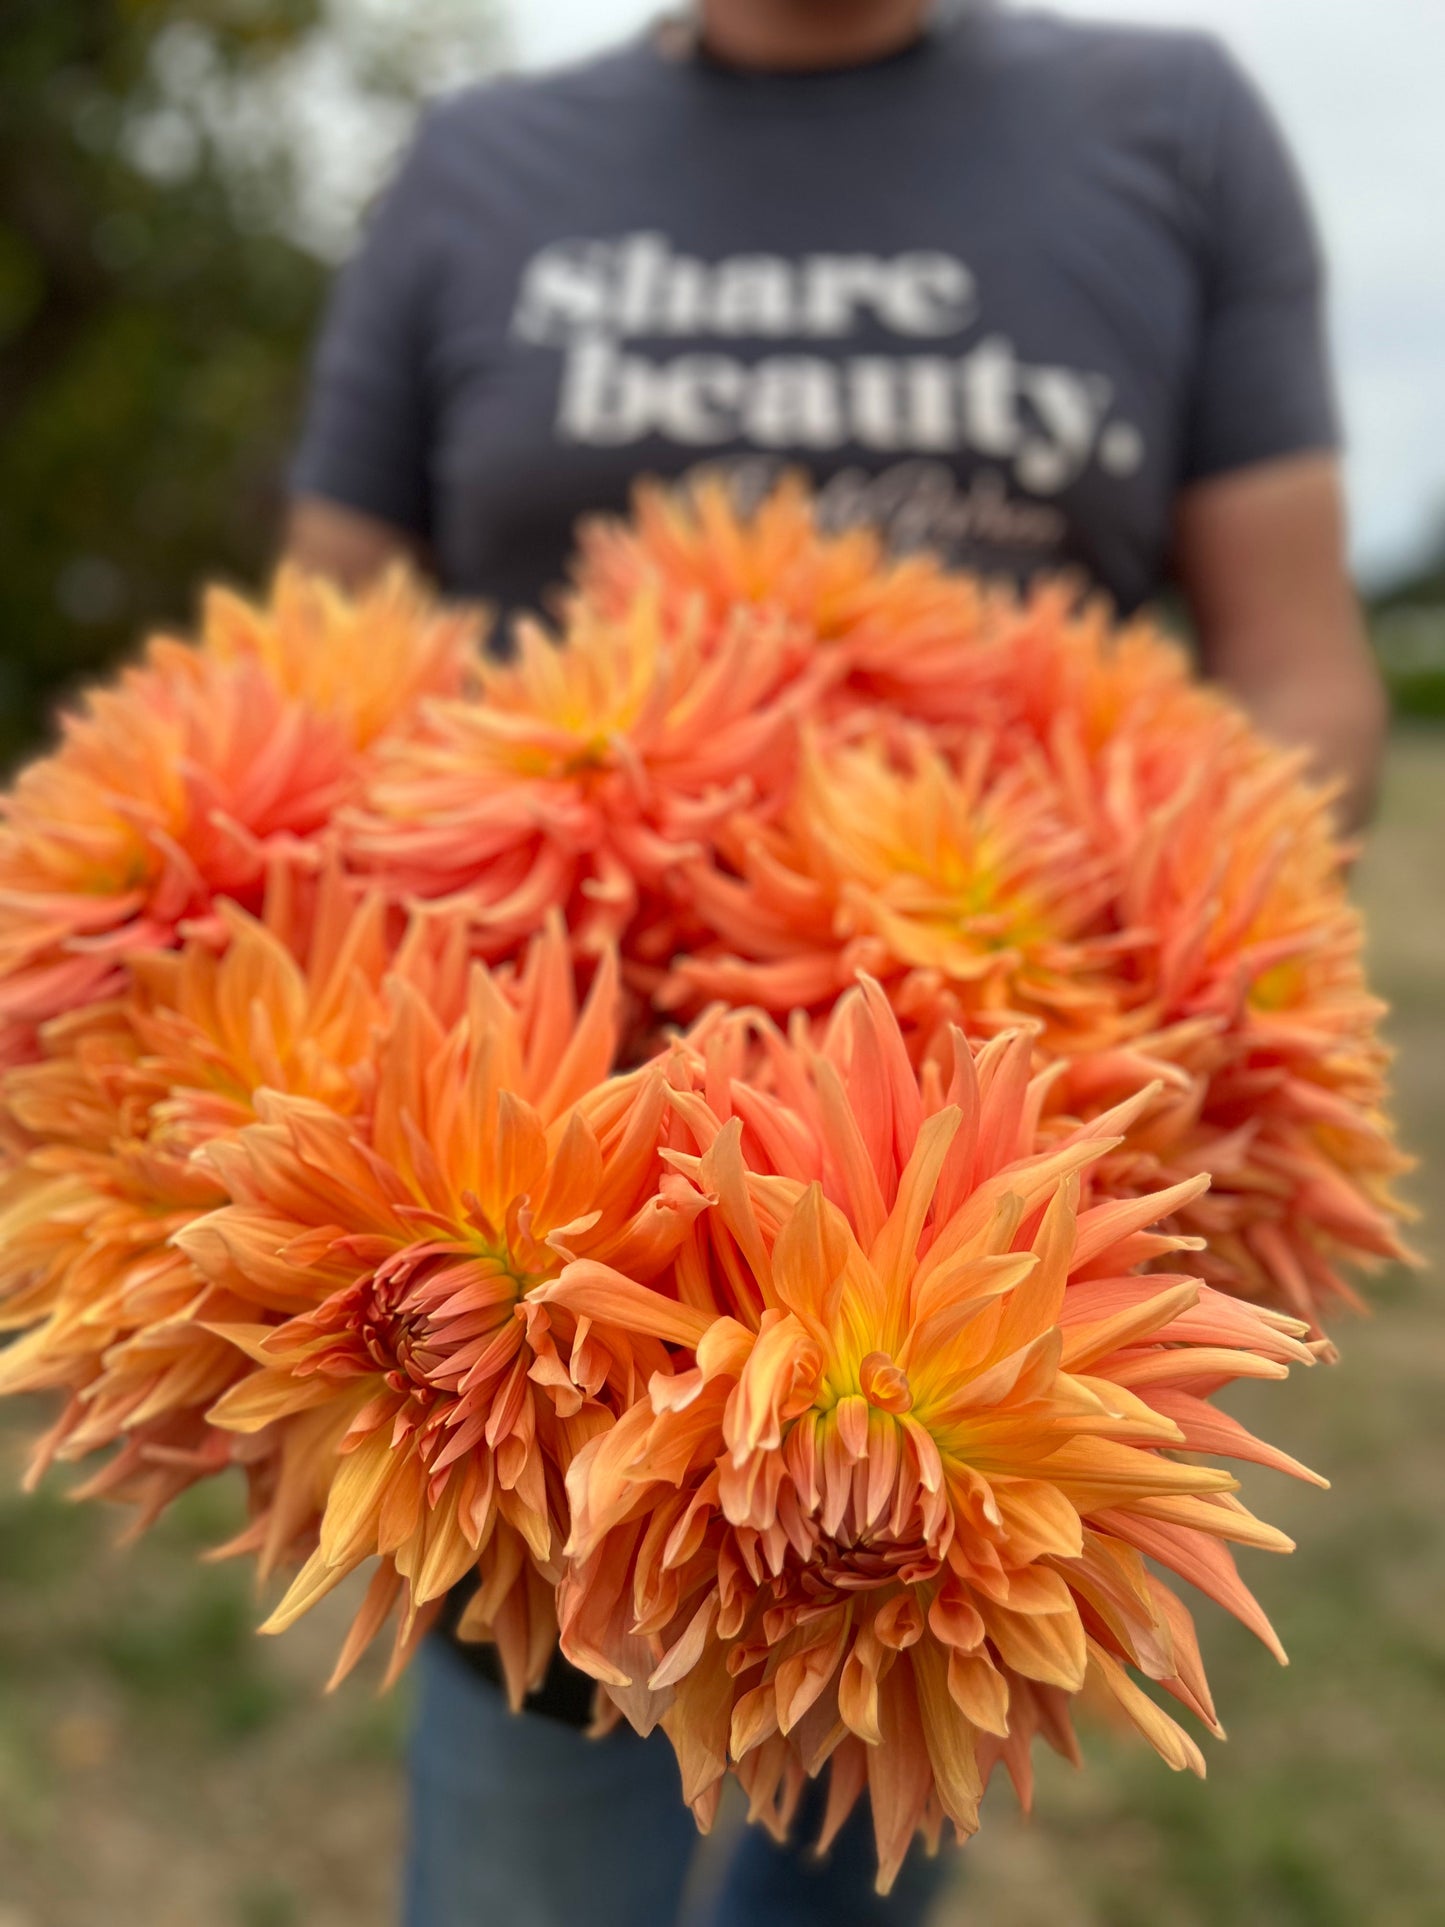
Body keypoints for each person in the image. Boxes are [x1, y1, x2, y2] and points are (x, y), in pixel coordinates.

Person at [286, 5, 1389, 1921]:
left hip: (993, 1171)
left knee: (846, 1859)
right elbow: (319, 669)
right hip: (513, 1214)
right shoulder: (474, 163)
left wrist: (1193, 933)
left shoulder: (1169, 124)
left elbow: (1297, 665)